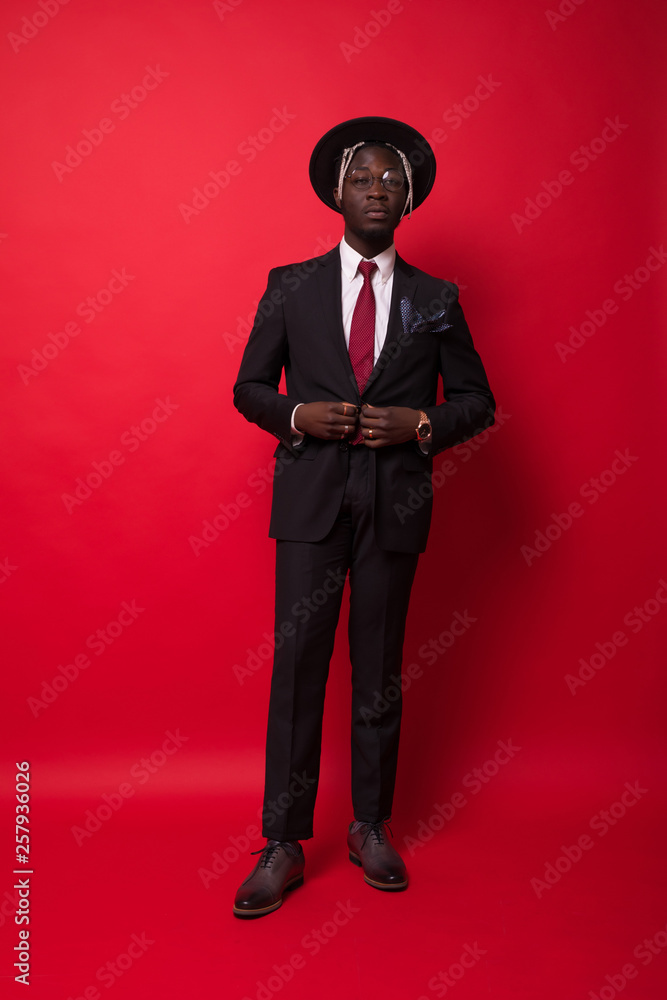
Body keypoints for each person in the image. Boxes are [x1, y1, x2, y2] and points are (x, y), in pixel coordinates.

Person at [232, 116, 495, 917]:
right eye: (361, 178)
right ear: (336, 194)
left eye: (390, 180)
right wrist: (295, 415)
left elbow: (477, 402)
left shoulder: (435, 299)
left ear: (407, 199)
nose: (375, 189)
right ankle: (283, 842)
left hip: (393, 504)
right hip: (310, 504)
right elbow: (248, 388)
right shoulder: (289, 285)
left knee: (377, 672)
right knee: (297, 670)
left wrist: (421, 425)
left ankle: (369, 826)